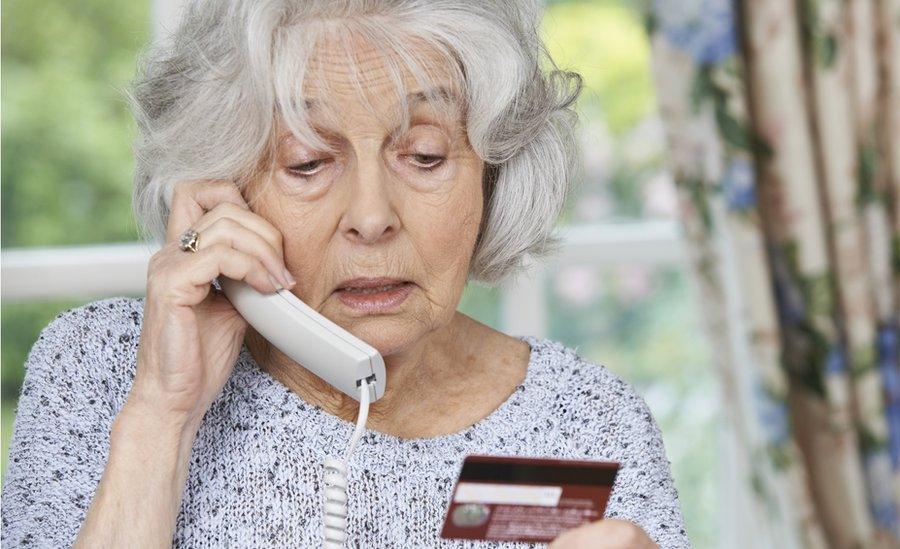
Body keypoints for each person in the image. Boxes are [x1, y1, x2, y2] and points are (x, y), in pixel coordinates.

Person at [0, 1, 689, 547]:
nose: (371, 216)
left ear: (492, 174)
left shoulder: (591, 422)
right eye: (306, 163)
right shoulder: (100, 369)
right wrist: (163, 414)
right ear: (222, 188)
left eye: (424, 156)